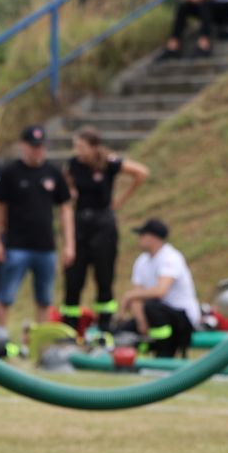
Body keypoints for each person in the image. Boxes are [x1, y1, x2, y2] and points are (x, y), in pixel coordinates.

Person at [61, 127, 149, 339]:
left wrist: (119, 201)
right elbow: (67, 185)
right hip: (81, 222)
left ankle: (105, 325)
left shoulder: (110, 163)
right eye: (76, 147)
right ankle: (70, 328)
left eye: (82, 147)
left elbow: (141, 173)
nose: (78, 151)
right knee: (74, 277)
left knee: (104, 276)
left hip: (103, 224)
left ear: (93, 147)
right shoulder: (74, 164)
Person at [0, 125, 75, 330]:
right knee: (5, 296)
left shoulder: (53, 173)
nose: (37, 150)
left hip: (46, 246)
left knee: (45, 299)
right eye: (33, 146)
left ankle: (39, 343)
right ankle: (2, 340)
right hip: (16, 246)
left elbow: (65, 208)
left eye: (41, 146)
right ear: (23, 146)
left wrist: (69, 244)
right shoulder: (11, 172)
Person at [117, 218, 200, 356]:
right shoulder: (141, 261)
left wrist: (129, 296)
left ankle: (165, 352)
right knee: (122, 331)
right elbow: (137, 295)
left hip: (182, 317)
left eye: (142, 235)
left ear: (153, 237)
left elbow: (161, 291)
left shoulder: (171, 258)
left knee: (152, 306)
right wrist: (140, 321)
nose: (139, 238)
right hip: (154, 315)